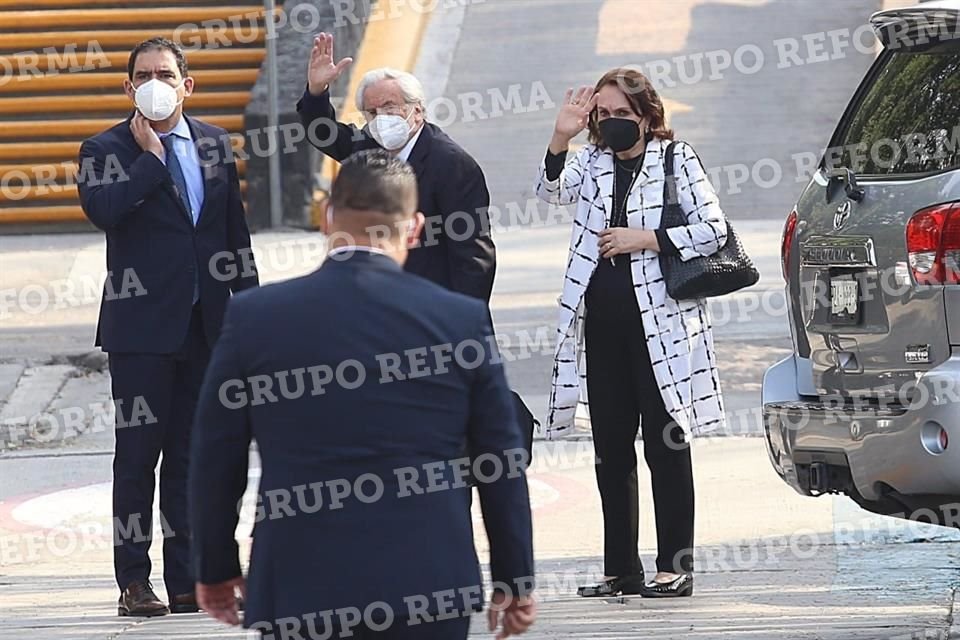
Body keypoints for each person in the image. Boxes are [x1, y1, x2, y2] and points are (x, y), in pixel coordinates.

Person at [189, 150, 537, 639]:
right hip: (427, 582)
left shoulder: (256, 317)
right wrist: (514, 577)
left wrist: (214, 566)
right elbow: (499, 460)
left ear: (328, 217)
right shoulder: (459, 321)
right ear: (414, 227)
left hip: (300, 583)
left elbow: (213, 455)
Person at [76, 37, 258, 617]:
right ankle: (133, 580)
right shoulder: (103, 148)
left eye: (165, 72)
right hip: (141, 333)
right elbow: (103, 212)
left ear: (187, 84)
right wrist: (150, 161)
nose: (155, 81)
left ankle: (184, 579)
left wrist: (253, 315)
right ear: (129, 87)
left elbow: (233, 236)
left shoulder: (214, 143)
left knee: (189, 457)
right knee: (137, 457)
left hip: (207, 327)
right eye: (144, 74)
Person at [534, 68, 728, 598]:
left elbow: (714, 229)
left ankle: (675, 567)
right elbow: (548, 194)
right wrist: (561, 136)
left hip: (661, 326)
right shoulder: (592, 162)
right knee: (610, 448)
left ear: (646, 115)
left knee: (667, 445)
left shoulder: (676, 158)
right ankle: (620, 568)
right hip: (600, 325)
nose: (612, 124)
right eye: (604, 115)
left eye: (623, 114)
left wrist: (647, 238)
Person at [296, 33, 495, 302]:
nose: (382, 118)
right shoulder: (367, 146)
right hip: (377, 302)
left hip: (431, 305)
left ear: (418, 111)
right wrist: (317, 91)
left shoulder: (451, 164)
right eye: (372, 112)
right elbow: (323, 134)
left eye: (390, 107)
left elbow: (473, 255)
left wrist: (458, 318)